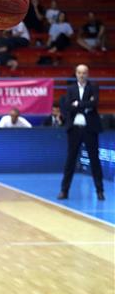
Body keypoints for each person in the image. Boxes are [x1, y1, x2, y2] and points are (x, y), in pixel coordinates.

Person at [58, 64, 104, 200]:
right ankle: (64, 191)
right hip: (75, 129)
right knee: (70, 160)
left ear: (88, 74)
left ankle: (100, 191)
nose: (81, 75)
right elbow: (67, 106)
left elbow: (94, 103)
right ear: (76, 74)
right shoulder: (70, 89)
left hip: (90, 129)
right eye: (79, 72)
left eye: (84, 73)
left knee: (94, 160)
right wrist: (84, 104)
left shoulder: (93, 87)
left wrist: (77, 104)